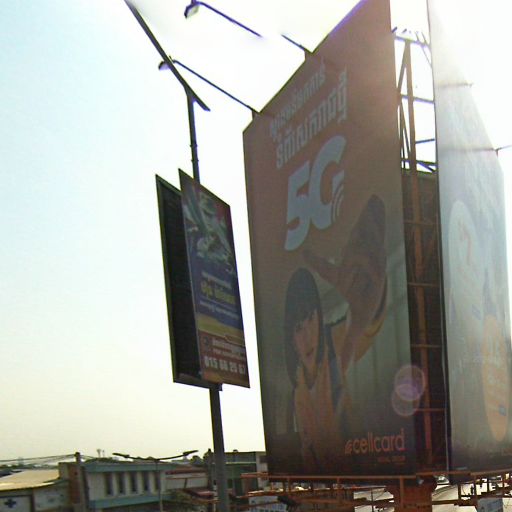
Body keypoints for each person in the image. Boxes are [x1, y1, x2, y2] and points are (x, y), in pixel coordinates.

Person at [284, 194, 388, 471]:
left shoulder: (336, 341)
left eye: (311, 319)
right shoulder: (298, 392)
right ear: (290, 338)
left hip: (370, 464)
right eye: (298, 328)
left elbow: (361, 329)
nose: (308, 334)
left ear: (319, 317)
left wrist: (365, 312)